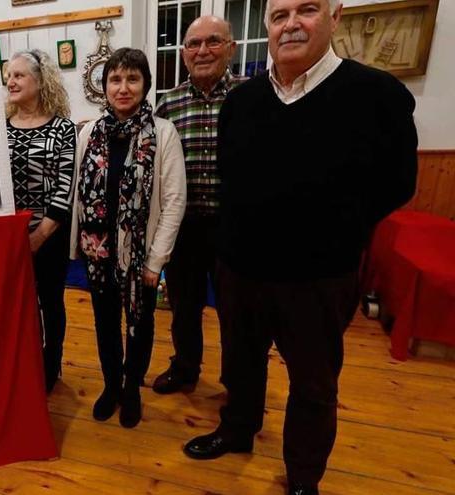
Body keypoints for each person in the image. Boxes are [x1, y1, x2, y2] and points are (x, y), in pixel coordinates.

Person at [182, 1, 418, 494]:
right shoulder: (243, 102)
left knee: (313, 383)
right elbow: (231, 175)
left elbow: (398, 183)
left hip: (319, 275)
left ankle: (303, 476)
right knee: (240, 364)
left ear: (334, 19)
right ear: (267, 27)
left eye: (306, 10)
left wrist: (334, 228)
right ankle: (238, 429)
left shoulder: (377, 95)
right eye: (279, 15)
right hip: (241, 268)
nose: (291, 24)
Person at [71, 48, 186, 428]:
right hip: (98, 251)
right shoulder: (90, 132)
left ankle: (132, 387)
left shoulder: (163, 133)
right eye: (115, 80)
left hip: (140, 257)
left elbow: (173, 201)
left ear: (145, 85)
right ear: (104, 87)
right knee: (105, 322)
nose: (123, 88)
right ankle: (110, 385)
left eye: (132, 79)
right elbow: (78, 195)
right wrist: (79, 248)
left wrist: (156, 260)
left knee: (140, 322)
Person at [151, 16, 246, 395]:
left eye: (213, 42)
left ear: (231, 48)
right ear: (183, 53)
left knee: (236, 312)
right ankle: (185, 367)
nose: (202, 51)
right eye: (193, 44)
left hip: (235, 226)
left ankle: (237, 381)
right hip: (185, 227)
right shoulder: (167, 104)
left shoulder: (250, 96)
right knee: (184, 306)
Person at [5, 49, 77, 394]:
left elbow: (65, 188)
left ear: (40, 80)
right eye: (8, 75)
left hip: (49, 234)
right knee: (20, 304)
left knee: (50, 302)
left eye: (18, 75)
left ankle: (52, 364)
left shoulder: (62, 128)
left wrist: (38, 236)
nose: (11, 81)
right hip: (8, 236)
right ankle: (28, 359)